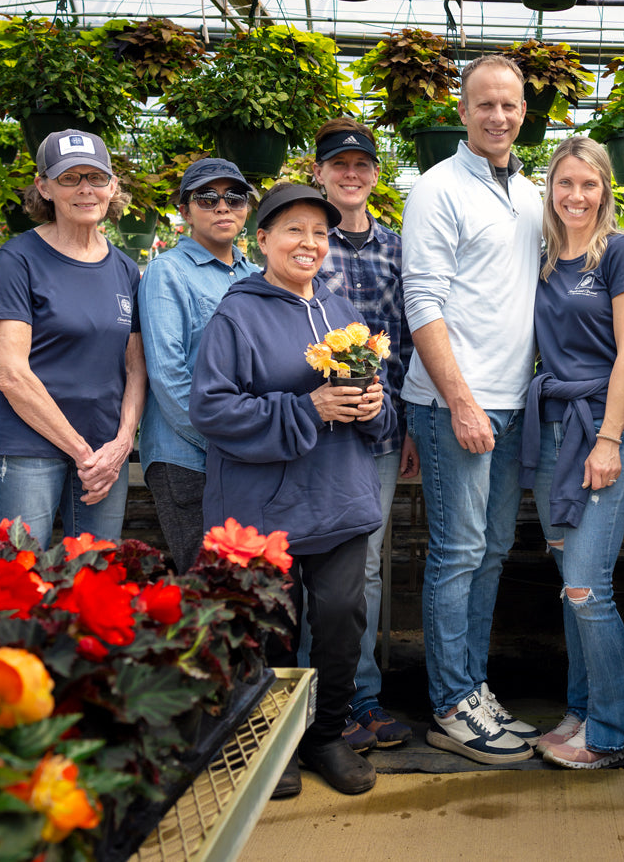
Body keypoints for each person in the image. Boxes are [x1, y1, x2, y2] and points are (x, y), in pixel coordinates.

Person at [190, 182, 392, 799]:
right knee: (268, 628)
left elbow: (373, 401)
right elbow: (213, 410)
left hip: (337, 498)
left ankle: (326, 733)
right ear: (264, 240)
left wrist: (373, 406)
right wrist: (308, 408)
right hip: (261, 510)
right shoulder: (237, 313)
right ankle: (268, 742)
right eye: (294, 230)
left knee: (339, 621)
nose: (309, 243)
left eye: (320, 233)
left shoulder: (343, 313)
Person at [402, 54, 543, 764]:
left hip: (512, 401)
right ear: (462, 111)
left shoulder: (529, 192)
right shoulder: (436, 188)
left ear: (524, 111)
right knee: (456, 554)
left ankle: (474, 687)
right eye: (484, 104)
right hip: (460, 402)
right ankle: (451, 703)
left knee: (490, 551)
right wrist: (458, 401)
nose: (497, 116)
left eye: (509, 105)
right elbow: (421, 301)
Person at [520, 137, 624, 770]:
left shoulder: (620, 254)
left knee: (587, 588)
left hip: (601, 431)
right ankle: (580, 708)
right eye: (565, 183)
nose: (576, 196)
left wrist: (607, 440)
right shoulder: (543, 260)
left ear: (605, 190)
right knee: (567, 582)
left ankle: (610, 730)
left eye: (588, 184)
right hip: (551, 434)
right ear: (551, 189)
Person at [311, 116, 417, 752]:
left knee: (368, 569)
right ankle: (317, 702)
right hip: (313, 431)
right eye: (338, 165)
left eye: (362, 165)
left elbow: (403, 340)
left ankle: (363, 697)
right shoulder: (305, 242)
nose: (350, 174)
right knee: (314, 565)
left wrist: (401, 422)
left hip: (375, 435)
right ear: (318, 173)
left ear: (375, 176)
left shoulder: (396, 247)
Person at [0, 130, 145, 542]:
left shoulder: (125, 268)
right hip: (27, 447)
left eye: (95, 177)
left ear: (112, 186)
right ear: (44, 187)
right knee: (19, 576)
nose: (85, 189)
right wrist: (81, 451)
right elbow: (9, 373)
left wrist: (123, 442)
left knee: (96, 576)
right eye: (70, 178)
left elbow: (135, 365)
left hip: (105, 451)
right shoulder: (19, 258)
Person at [138, 157, 261, 572]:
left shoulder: (256, 275)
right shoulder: (167, 273)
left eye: (234, 197)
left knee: (245, 587)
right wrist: (229, 442)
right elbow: (168, 376)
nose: (222, 207)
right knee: (207, 584)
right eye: (207, 198)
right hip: (189, 457)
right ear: (185, 210)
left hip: (242, 456)